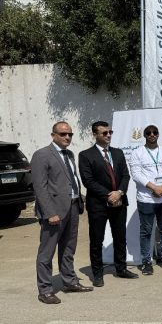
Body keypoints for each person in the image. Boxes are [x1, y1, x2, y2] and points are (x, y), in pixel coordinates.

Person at [32, 121, 92, 304]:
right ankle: (45, 290)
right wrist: (50, 212)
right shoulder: (42, 155)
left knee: (68, 248)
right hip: (54, 211)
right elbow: (40, 187)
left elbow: (70, 180)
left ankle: (69, 282)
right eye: (63, 134)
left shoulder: (69, 154)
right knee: (47, 252)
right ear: (53, 135)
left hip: (72, 206)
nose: (67, 137)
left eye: (70, 134)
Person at [78, 121, 138, 287]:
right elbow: (88, 180)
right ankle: (97, 274)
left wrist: (119, 192)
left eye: (110, 132)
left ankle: (121, 268)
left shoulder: (118, 153)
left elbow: (125, 176)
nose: (108, 135)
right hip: (98, 205)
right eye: (104, 133)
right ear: (95, 135)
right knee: (96, 239)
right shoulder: (85, 155)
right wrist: (108, 195)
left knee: (120, 237)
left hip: (119, 202)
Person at [130, 124, 162, 274]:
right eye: (148, 133)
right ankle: (146, 262)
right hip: (146, 199)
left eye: (155, 132)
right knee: (146, 232)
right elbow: (136, 174)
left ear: (158, 135)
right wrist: (154, 188)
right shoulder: (137, 153)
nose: (152, 135)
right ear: (145, 135)